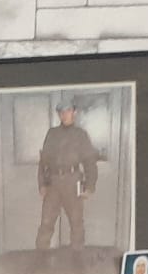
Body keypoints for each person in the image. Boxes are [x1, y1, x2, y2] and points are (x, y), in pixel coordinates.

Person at [35, 100, 100, 254]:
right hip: (53, 183)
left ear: (74, 112)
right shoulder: (52, 134)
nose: (64, 115)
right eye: (61, 112)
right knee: (46, 222)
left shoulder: (81, 135)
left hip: (73, 182)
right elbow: (44, 161)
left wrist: (90, 186)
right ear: (59, 114)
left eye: (68, 111)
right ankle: (39, 259)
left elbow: (90, 162)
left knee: (76, 223)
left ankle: (78, 259)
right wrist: (42, 184)